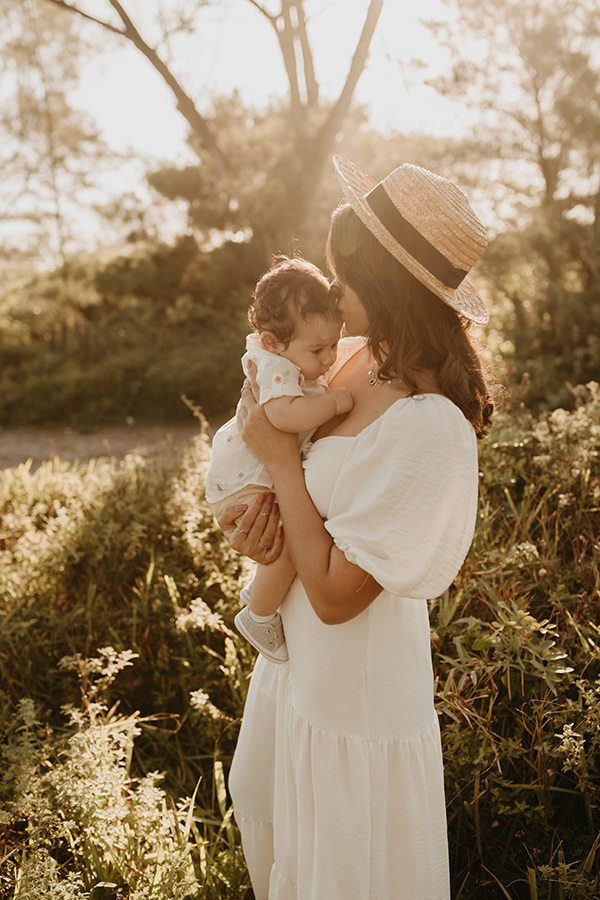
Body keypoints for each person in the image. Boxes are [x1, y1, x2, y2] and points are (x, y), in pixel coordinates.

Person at [216, 155, 494, 900]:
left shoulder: (431, 425)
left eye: (344, 274)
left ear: (388, 283)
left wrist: (279, 462)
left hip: (357, 708)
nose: (331, 290)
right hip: (296, 680)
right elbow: (282, 473)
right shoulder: (348, 361)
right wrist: (256, 525)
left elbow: (339, 594)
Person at [205, 256, 353, 663]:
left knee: (292, 531)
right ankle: (258, 613)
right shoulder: (273, 366)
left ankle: (259, 595)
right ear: (272, 342)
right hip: (246, 479)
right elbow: (282, 415)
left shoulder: (288, 355)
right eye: (318, 349)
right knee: (290, 538)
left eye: (334, 346)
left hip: (249, 473)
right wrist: (334, 402)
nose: (328, 359)